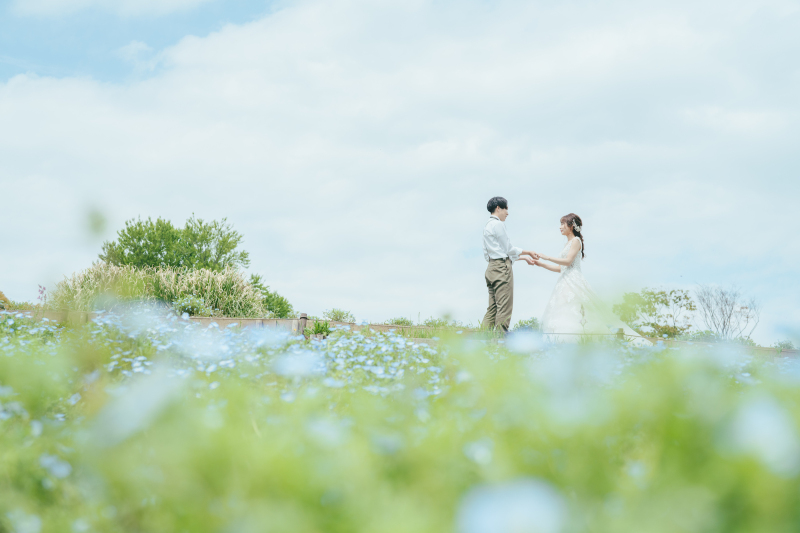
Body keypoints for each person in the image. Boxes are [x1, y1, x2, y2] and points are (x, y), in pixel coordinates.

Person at [532, 213, 648, 345]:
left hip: (573, 280)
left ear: (571, 226)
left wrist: (546, 257)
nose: (560, 227)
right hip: (564, 280)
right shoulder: (566, 244)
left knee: (577, 310)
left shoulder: (576, 241)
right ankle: (562, 343)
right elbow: (560, 268)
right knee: (563, 312)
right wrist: (540, 264)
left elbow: (568, 261)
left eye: (562, 224)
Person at [482, 197, 537, 333]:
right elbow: (508, 249)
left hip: (491, 268)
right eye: (506, 209)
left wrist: (523, 257)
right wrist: (528, 251)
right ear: (498, 208)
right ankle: (499, 344)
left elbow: (497, 252)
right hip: (501, 269)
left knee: (493, 308)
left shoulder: (486, 226)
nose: (507, 213)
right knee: (504, 307)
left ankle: (482, 341)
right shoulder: (498, 224)